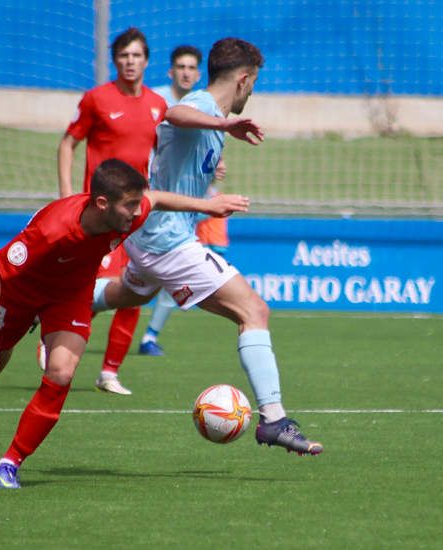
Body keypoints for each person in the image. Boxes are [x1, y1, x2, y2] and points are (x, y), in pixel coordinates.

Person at [96, 37, 324, 456]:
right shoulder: (202, 104)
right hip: (169, 241)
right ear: (242, 80)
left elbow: (178, 146)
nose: (252, 91)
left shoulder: (211, 118)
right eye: (253, 83)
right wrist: (223, 127)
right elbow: (174, 113)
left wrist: (211, 159)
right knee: (253, 310)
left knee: (124, 293)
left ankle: (56, 300)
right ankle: (273, 420)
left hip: (151, 236)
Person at [0, 159, 248, 489]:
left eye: (137, 204)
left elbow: (157, 198)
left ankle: (10, 463)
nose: (138, 212)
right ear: (104, 204)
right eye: (131, 205)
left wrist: (210, 206)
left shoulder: (131, 211)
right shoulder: (55, 227)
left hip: (74, 295)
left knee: (61, 372)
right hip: (27, 292)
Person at [53, 27, 167, 396]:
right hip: (98, 213)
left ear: (146, 61)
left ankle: (109, 373)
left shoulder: (157, 105)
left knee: (136, 286)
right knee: (89, 289)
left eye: (136, 56)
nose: (130, 62)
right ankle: (54, 340)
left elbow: (161, 155)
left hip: (136, 216)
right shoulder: (97, 99)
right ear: (115, 61)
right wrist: (69, 195)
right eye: (123, 56)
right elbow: (68, 143)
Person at [137, 45, 231, 357]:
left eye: (192, 67)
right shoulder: (162, 100)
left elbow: (201, 160)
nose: (186, 72)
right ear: (171, 71)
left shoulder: (211, 108)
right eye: (181, 67)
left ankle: (149, 333)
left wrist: (212, 167)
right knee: (252, 310)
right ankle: (147, 335)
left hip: (199, 204)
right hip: (160, 208)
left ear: (199, 72)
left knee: (132, 289)